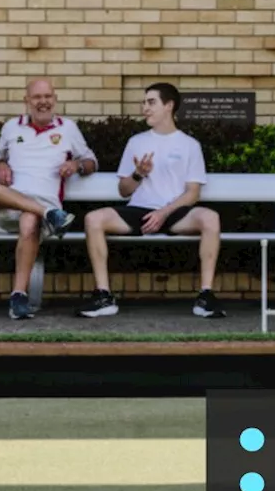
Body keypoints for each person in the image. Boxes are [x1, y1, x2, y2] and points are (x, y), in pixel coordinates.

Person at [77, 82, 225, 319]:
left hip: (176, 213)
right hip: (139, 211)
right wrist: (138, 174)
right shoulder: (137, 142)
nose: (145, 108)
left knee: (211, 218)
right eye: (144, 102)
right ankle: (104, 296)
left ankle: (206, 296)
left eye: (151, 102)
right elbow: (124, 190)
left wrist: (164, 212)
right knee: (93, 219)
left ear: (169, 106)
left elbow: (193, 193)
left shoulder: (189, 145)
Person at [0, 79, 98, 320]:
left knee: (30, 220)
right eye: (37, 97)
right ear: (27, 101)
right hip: (8, 204)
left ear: (55, 98)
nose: (43, 102)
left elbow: (91, 161)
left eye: (47, 97)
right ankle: (48, 213)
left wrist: (76, 164)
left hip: (38, 208)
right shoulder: (12, 127)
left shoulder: (68, 128)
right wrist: (0, 165)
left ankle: (18, 296)